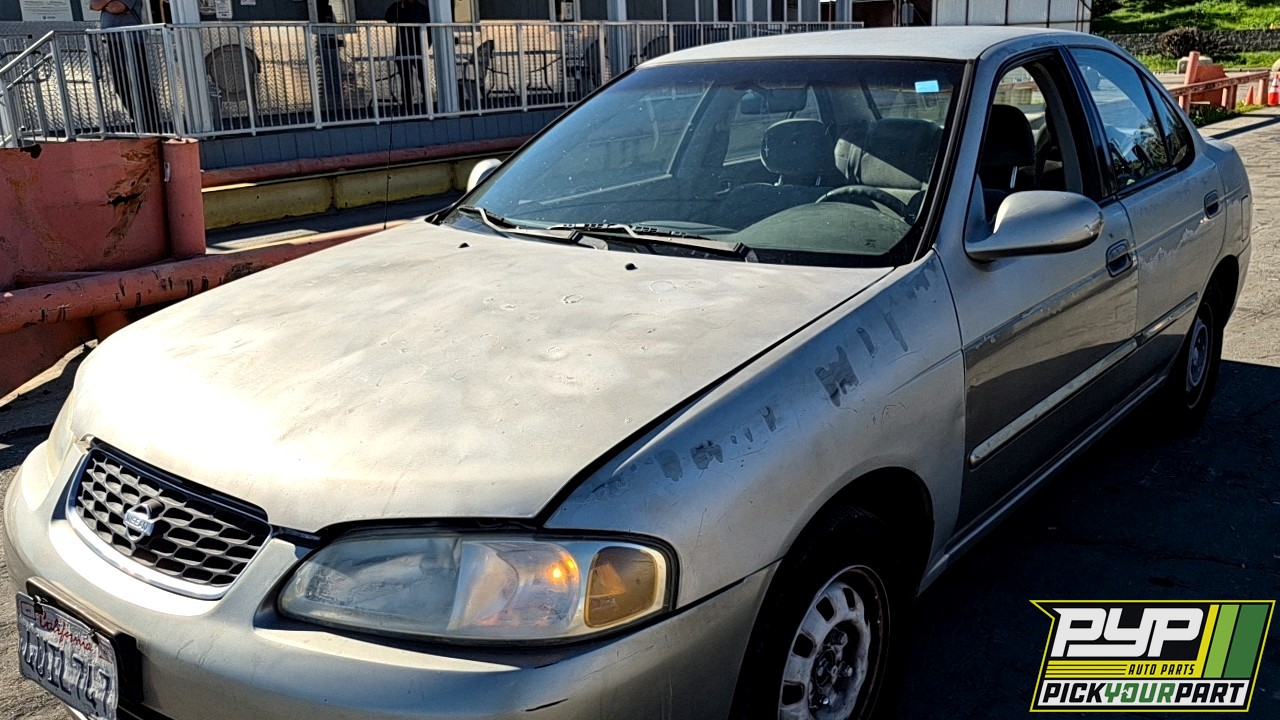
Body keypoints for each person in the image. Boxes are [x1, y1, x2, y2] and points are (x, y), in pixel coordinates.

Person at [91, 0, 160, 133]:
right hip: (111, 40)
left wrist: (104, 5)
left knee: (140, 84)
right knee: (120, 85)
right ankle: (139, 122)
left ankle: (152, 125)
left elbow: (118, 7)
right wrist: (105, 5)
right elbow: (93, 5)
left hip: (132, 41)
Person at [384, 0, 431, 114]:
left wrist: (426, 46)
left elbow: (429, 29)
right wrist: (399, 6)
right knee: (406, 80)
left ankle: (427, 103)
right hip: (403, 50)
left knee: (423, 78)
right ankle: (407, 105)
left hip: (418, 49)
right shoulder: (397, 6)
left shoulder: (422, 9)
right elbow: (388, 18)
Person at [315, 0, 345, 119]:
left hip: (331, 52)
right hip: (326, 52)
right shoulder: (320, 10)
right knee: (328, 77)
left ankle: (336, 104)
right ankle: (330, 105)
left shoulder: (327, 9)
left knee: (334, 77)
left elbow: (332, 31)